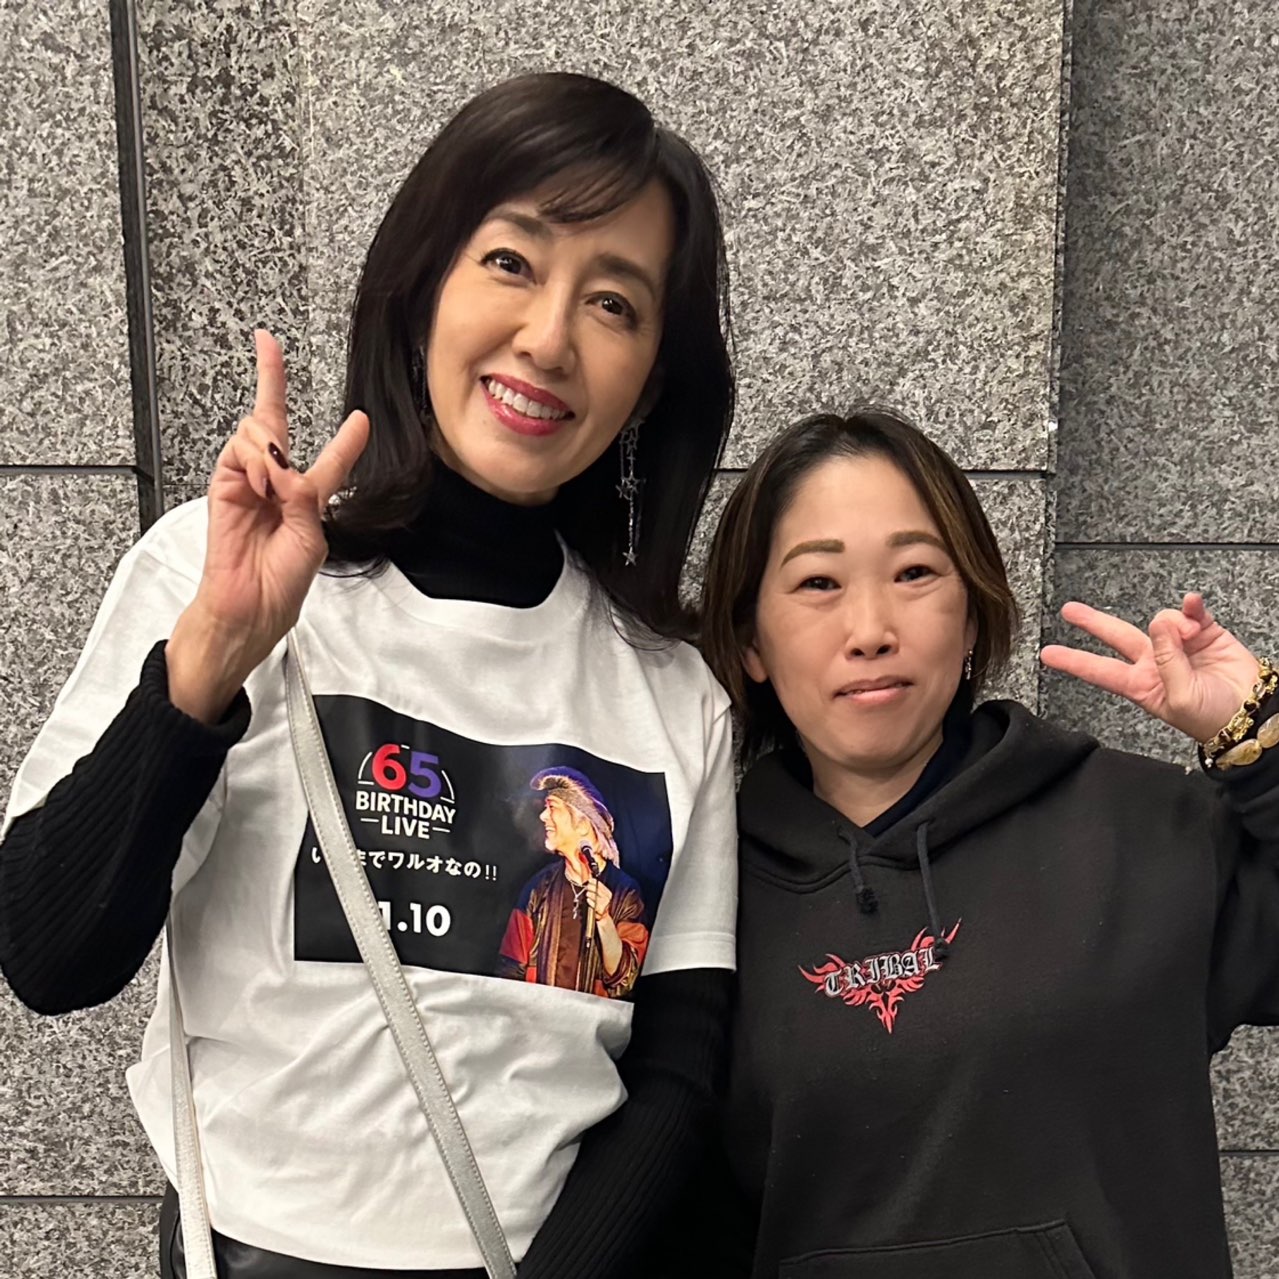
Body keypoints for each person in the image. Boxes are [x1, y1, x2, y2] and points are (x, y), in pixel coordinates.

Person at [0, 72, 737, 1278]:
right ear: (422, 283)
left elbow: (674, 1073)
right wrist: (209, 660)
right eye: (510, 262)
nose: (548, 337)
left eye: (613, 302)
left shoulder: (670, 692)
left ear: (650, 378)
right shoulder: (211, 572)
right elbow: (50, 953)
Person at [696, 407, 1279, 1279]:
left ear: (970, 615)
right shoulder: (697, 896)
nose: (870, 629)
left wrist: (1260, 740)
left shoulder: (1137, 829)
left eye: (914, 572)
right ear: (750, 640)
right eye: (818, 582)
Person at [498, 766, 650, 997]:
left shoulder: (625, 892)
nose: (543, 816)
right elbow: (510, 969)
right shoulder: (538, 888)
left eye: (552, 807)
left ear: (582, 823)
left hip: (595, 1020)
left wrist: (604, 920)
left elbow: (626, 981)